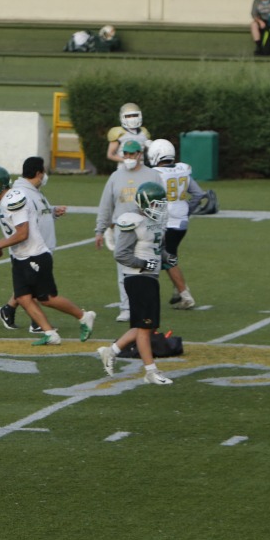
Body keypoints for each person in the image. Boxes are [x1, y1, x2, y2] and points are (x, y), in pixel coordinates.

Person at [0, 160, 95, 346]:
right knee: (23, 298)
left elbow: (23, 233)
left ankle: (84, 316)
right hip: (20, 255)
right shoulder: (3, 199)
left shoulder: (13, 199)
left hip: (35, 255)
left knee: (47, 298)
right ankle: (50, 333)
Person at [96, 182, 175, 387]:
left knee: (148, 326)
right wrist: (143, 263)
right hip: (137, 278)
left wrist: (167, 257)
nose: (160, 208)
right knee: (144, 326)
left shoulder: (155, 222)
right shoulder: (134, 221)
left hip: (151, 278)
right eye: (157, 204)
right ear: (146, 203)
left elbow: (157, 249)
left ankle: (110, 351)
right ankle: (150, 370)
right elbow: (121, 254)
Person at [94, 139, 163, 322]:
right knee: (124, 267)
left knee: (149, 265)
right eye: (126, 154)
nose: (128, 157)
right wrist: (100, 229)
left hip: (146, 227)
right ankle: (126, 307)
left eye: (132, 154)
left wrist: (160, 227)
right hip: (123, 228)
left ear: (140, 154)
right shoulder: (116, 176)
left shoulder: (152, 175)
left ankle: (146, 303)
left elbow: (161, 202)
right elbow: (106, 204)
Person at [147, 139, 209, 309]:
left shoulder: (154, 174)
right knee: (169, 254)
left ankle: (184, 293)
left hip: (165, 221)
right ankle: (178, 290)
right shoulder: (182, 170)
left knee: (163, 258)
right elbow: (198, 194)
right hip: (181, 222)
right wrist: (187, 210)